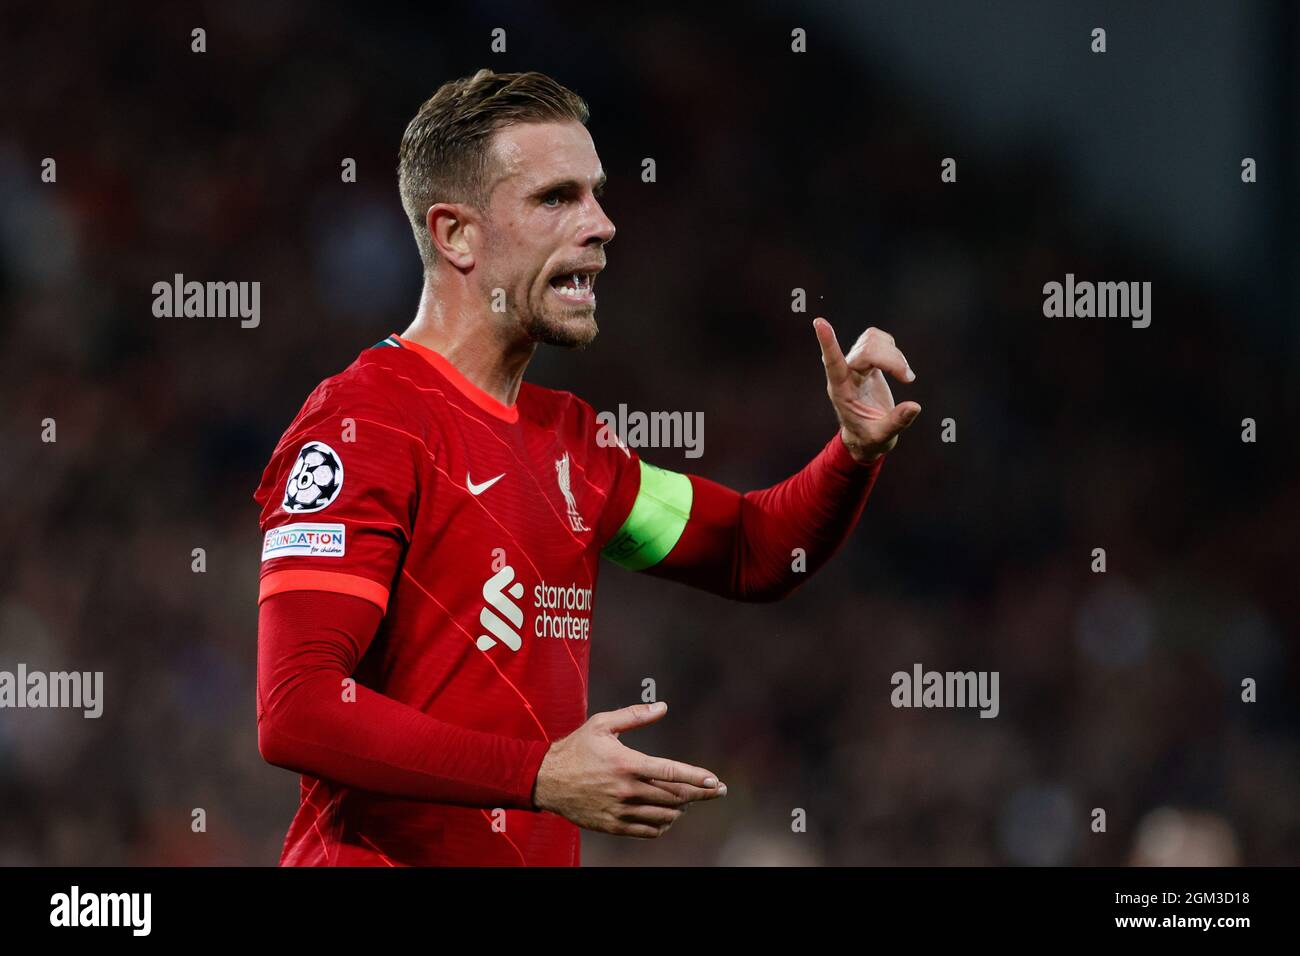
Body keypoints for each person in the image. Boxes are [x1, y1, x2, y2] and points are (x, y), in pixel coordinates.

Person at [253, 68, 921, 866]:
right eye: (556, 198)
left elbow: (754, 548)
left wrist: (852, 450)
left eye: (598, 194)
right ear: (455, 233)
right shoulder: (366, 421)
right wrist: (538, 774)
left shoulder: (572, 443)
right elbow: (296, 708)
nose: (602, 224)